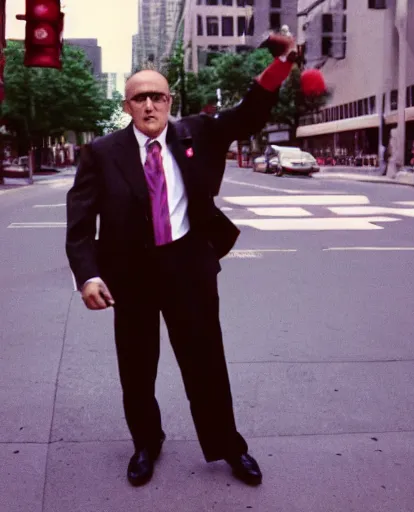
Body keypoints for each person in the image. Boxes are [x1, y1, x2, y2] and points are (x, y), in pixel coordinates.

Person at [66, 34, 297, 488]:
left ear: (169, 100)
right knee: (136, 365)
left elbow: (249, 112)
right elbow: (79, 222)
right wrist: (88, 275)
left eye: (157, 96)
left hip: (187, 268)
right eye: (139, 98)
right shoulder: (101, 153)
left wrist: (283, 64)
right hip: (129, 275)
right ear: (127, 106)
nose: (150, 105)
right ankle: (146, 443)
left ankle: (229, 446)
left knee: (206, 361)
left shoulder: (199, 133)